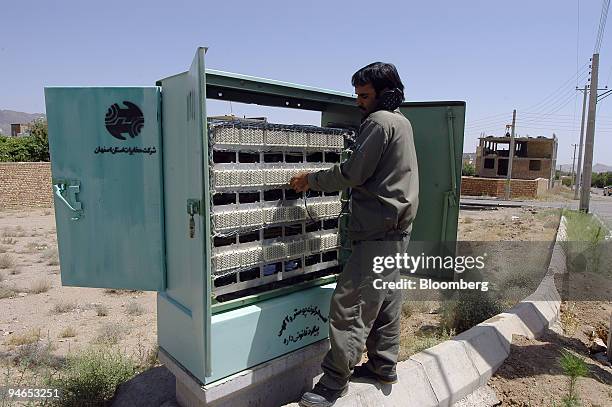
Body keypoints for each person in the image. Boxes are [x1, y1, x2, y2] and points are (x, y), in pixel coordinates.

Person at [289, 62, 419, 407]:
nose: (359, 101)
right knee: (386, 299)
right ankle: (382, 367)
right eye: (358, 95)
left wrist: (310, 180)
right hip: (396, 230)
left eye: (365, 95)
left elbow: (353, 172)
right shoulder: (402, 123)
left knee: (350, 305)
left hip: (377, 232)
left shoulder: (379, 123)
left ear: (385, 93)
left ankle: (333, 383)